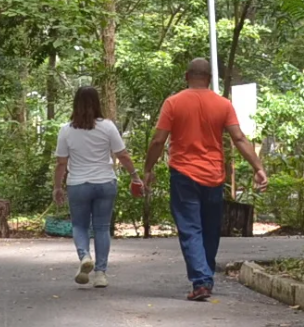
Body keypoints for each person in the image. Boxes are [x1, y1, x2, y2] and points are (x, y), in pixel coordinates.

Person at [137, 57, 267, 301]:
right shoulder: (223, 104)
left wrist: (148, 168)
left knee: (190, 228)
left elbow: (158, 140)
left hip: (183, 174)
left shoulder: (173, 103)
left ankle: (201, 280)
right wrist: (258, 167)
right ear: (209, 79)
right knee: (209, 230)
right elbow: (239, 138)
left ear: (187, 76)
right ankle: (204, 278)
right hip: (214, 176)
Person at [53, 85, 138, 289]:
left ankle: (84, 256)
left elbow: (61, 163)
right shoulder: (108, 127)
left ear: (76, 104)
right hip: (105, 183)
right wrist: (135, 176)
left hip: (79, 184)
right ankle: (100, 274)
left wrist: (57, 187)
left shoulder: (66, 130)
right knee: (101, 228)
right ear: (97, 103)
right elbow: (122, 155)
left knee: (80, 225)